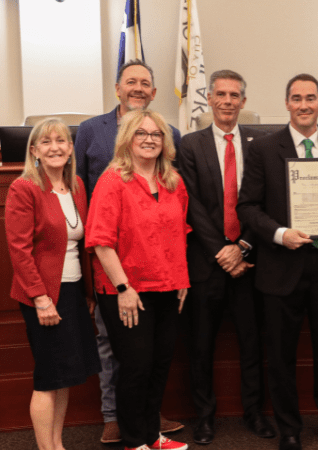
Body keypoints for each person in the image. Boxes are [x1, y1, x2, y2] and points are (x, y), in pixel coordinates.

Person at [237, 73, 318, 450]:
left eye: (310, 98)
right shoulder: (263, 148)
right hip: (281, 266)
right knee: (280, 356)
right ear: (287, 104)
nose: (304, 105)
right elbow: (247, 206)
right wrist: (280, 233)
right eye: (297, 98)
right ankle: (289, 429)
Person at [74, 59, 183, 443]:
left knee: (158, 364)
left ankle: (153, 435)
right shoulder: (112, 180)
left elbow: (179, 233)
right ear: (127, 139)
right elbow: (101, 240)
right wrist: (123, 288)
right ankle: (135, 440)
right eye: (141, 133)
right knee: (134, 367)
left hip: (166, 287)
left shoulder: (172, 181)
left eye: (156, 134)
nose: (150, 139)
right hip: (126, 288)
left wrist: (182, 281)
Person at [177, 69, 274, 444]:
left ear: (243, 102)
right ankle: (204, 417)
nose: (228, 101)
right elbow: (191, 204)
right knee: (201, 346)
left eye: (235, 95)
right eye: (221, 94)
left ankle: (254, 413)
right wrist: (221, 250)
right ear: (210, 99)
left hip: (250, 261)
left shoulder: (260, 143)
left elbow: (265, 201)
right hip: (206, 263)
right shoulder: (191, 145)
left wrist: (243, 246)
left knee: (252, 343)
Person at [6, 118, 101, 450]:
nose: (55, 147)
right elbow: (19, 250)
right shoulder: (24, 188)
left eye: (61, 141)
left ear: (71, 148)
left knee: (64, 377)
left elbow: (82, 244)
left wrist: (87, 293)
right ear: (34, 151)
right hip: (44, 295)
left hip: (72, 292)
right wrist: (41, 299)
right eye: (46, 142)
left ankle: (57, 444)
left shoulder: (77, 185)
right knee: (49, 377)